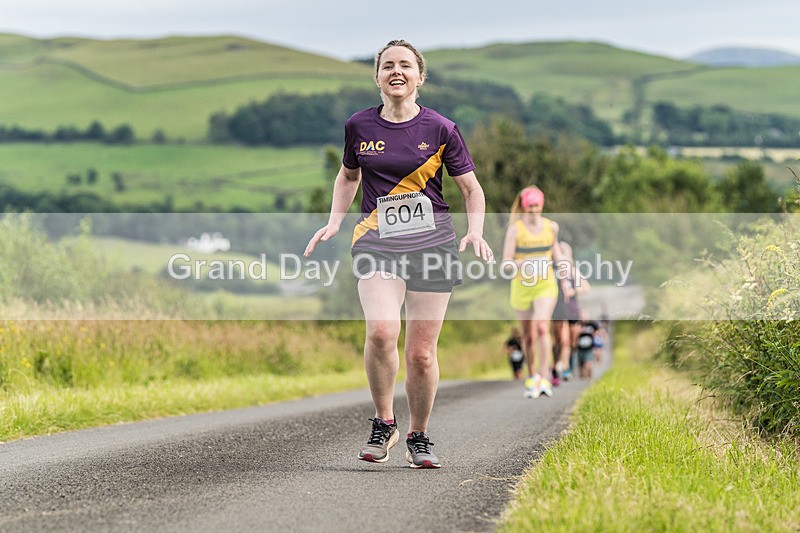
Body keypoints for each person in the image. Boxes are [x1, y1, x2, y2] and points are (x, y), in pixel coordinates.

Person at [304, 39, 493, 469]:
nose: (397, 71)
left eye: (405, 65)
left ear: (419, 77)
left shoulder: (442, 129)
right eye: (388, 65)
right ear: (377, 77)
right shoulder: (359, 126)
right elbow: (347, 176)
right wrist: (335, 221)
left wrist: (475, 231)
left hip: (433, 245)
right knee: (382, 331)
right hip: (377, 242)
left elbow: (471, 189)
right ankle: (383, 420)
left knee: (421, 354)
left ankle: (419, 435)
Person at [502, 186, 572, 399]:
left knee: (542, 326)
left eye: (537, 205)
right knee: (528, 335)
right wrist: (520, 266)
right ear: (524, 206)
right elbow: (506, 263)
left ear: (542, 205)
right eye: (530, 206)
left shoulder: (551, 227)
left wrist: (566, 280)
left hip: (545, 284)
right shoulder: (515, 230)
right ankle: (531, 373)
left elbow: (557, 255)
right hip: (522, 287)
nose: (533, 209)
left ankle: (545, 375)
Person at [551, 240, 590, 383]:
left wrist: (573, 290)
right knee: (561, 340)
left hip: (572, 310)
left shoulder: (573, 271)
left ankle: (568, 363)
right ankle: (561, 367)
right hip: (558, 309)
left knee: (572, 341)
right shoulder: (553, 271)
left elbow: (586, 287)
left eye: (565, 253)